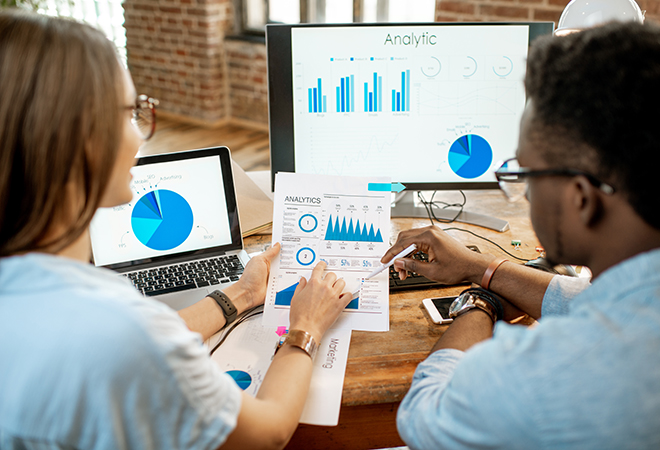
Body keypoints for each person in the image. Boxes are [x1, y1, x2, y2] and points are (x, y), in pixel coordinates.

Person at [0, 10, 351, 449]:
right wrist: (307, 326)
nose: (139, 135)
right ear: (81, 138)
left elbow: (147, 342)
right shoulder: (120, 329)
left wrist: (241, 294)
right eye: (131, 112)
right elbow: (268, 431)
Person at [382, 21, 660, 449]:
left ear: (581, 197)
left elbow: (426, 415)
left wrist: (477, 303)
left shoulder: (561, 370)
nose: (525, 193)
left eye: (528, 173)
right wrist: (481, 267)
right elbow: (586, 297)